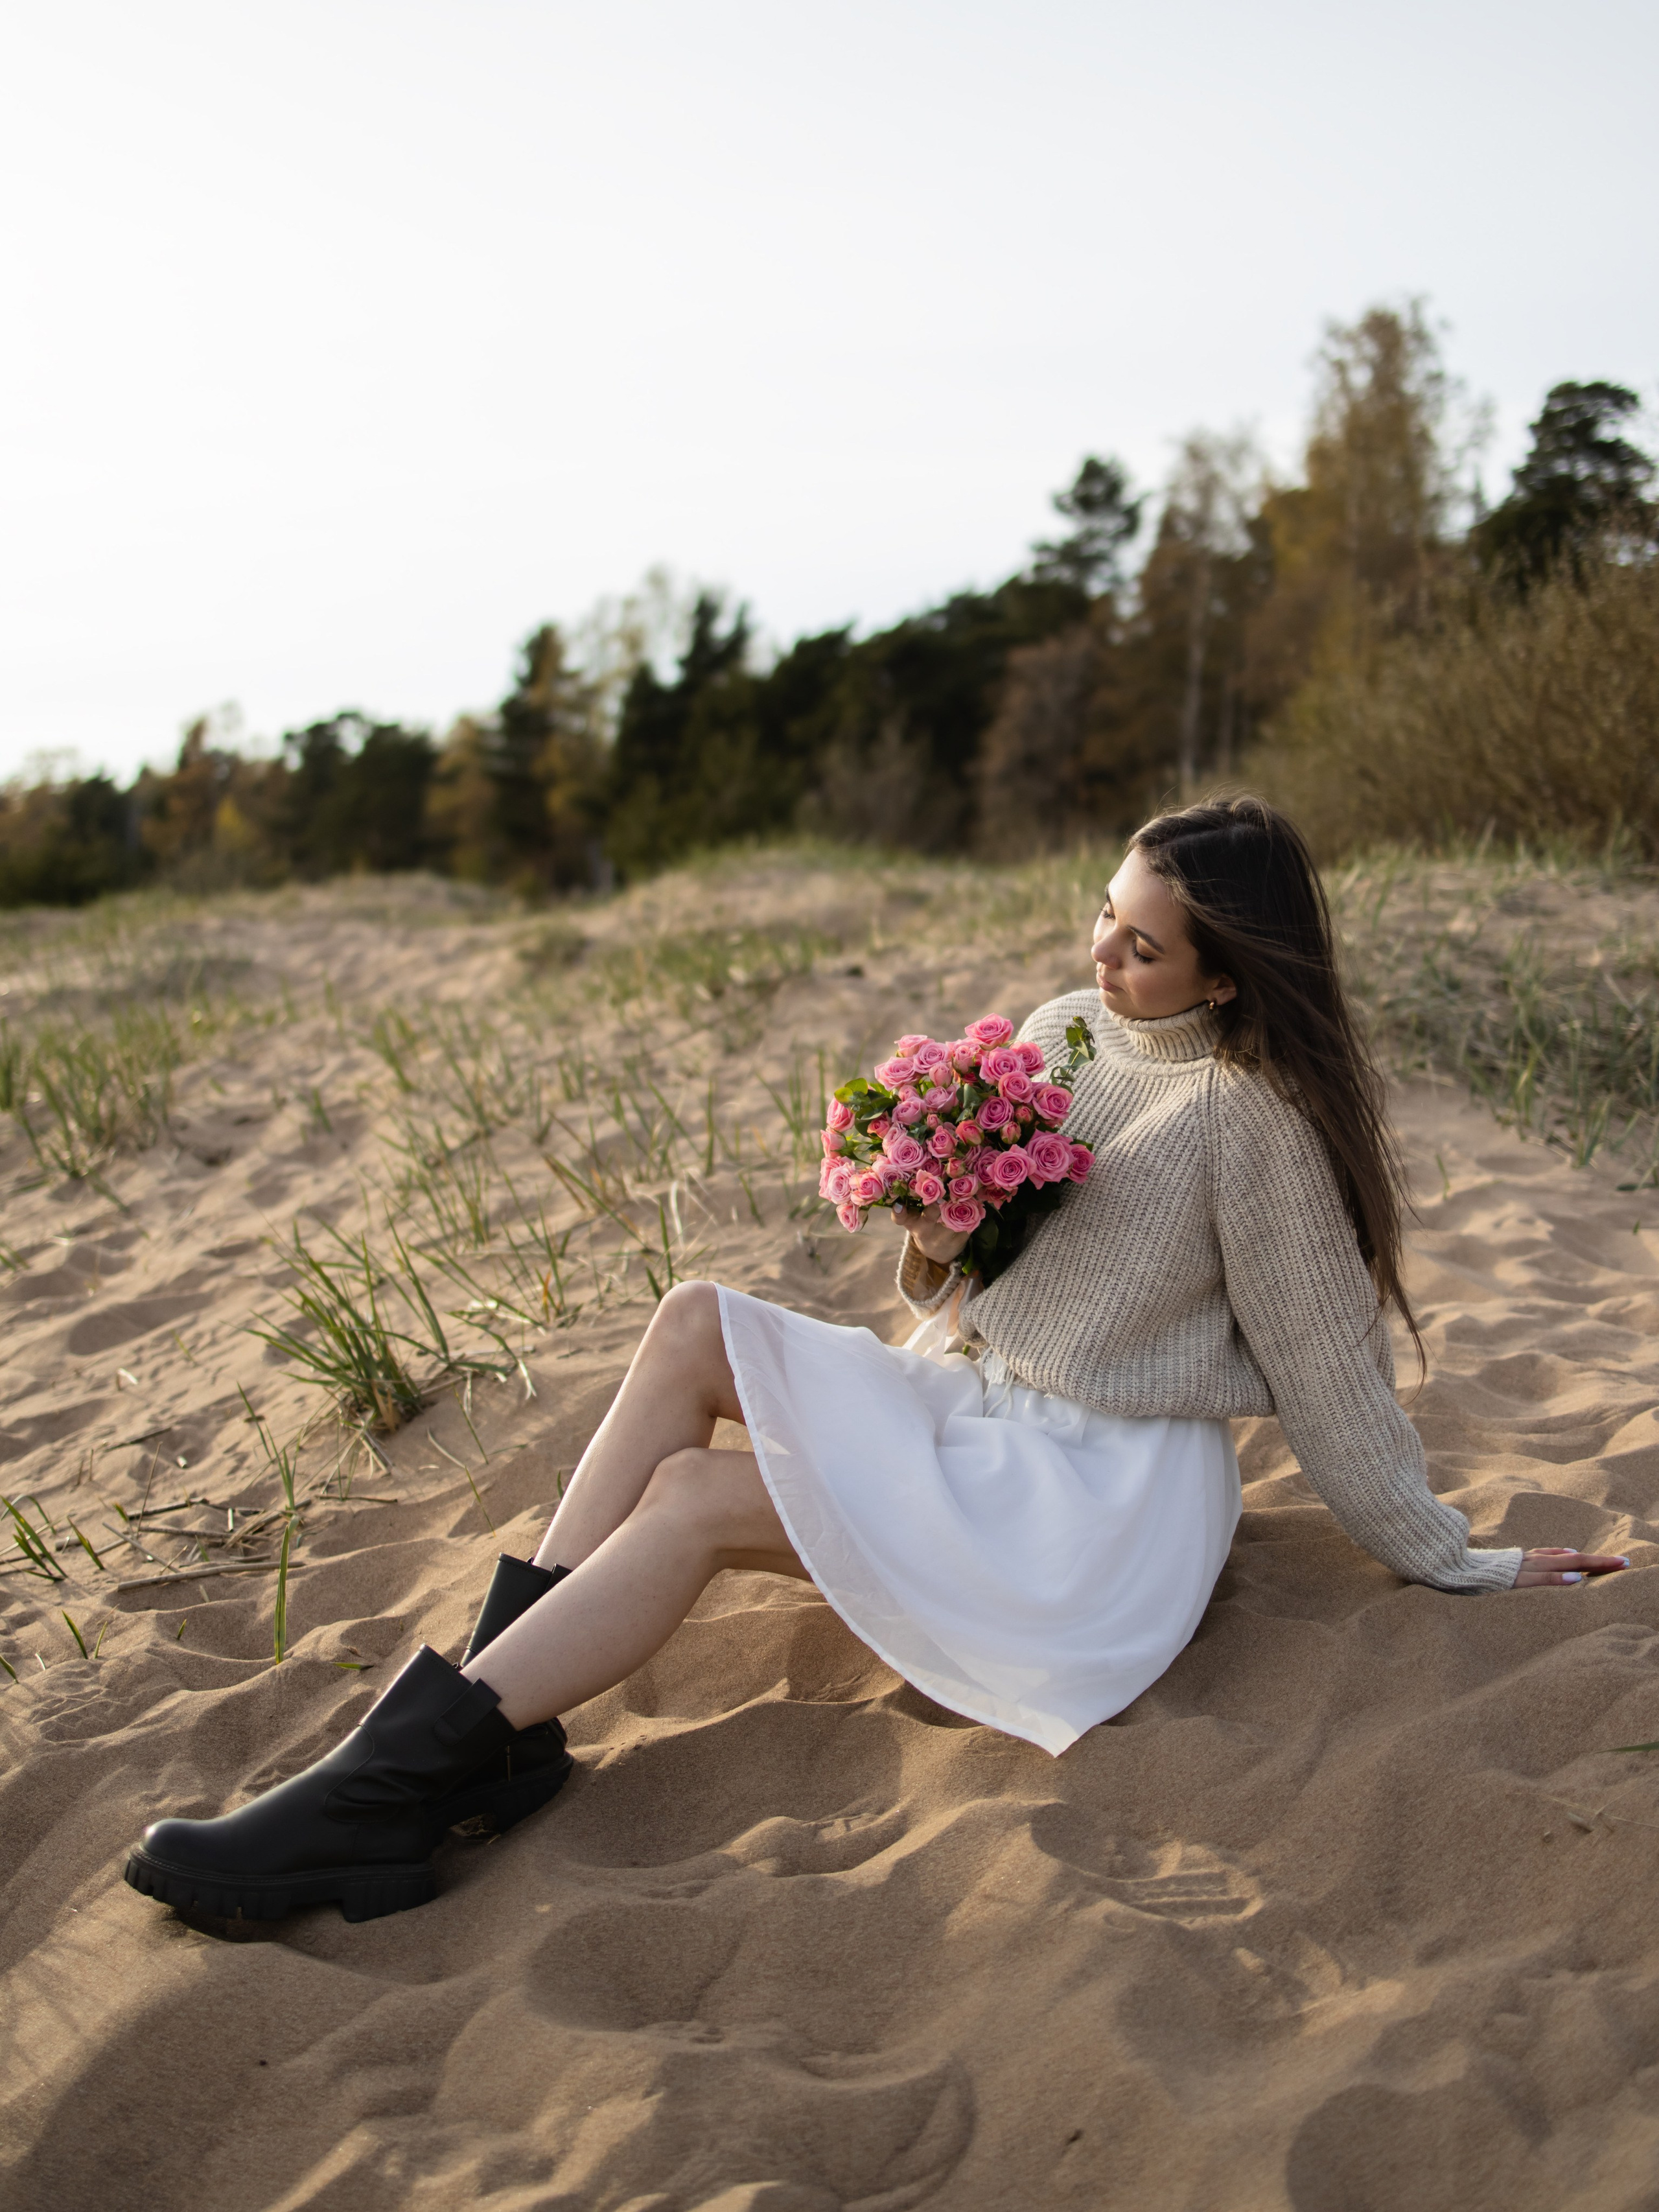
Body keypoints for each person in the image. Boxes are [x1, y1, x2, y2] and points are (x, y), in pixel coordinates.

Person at [124, 797, 1626, 1924]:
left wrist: (1454, 1558)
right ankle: (477, 1728)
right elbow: (981, 1270)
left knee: (700, 1504)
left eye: (1145, 943)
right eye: (1103, 910)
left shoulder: (1249, 1125)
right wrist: (929, 1205)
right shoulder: (1068, 1034)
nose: (1101, 950)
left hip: (1086, 1495)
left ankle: (389, 1788)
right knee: (695, 1315)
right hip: (964, 1399)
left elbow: (1327, 1379)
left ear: (1227, 976)